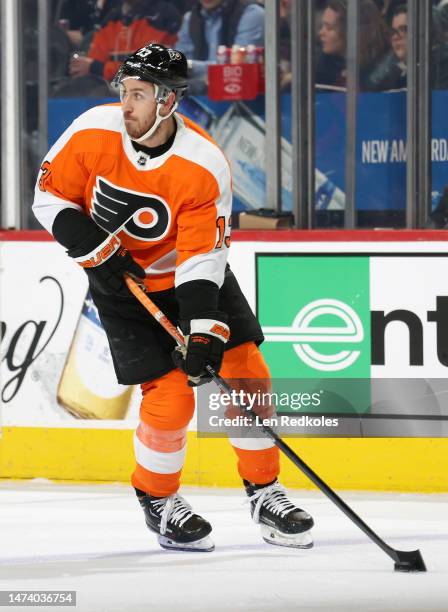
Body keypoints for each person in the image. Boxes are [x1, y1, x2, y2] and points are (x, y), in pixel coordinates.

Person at [32, 43, 314, 552]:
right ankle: (158, 500)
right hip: (118, 284)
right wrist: (98, 246)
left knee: (247, 372)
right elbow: (49, 197)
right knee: (171, 397)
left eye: (138, 94)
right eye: (125, 91)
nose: (126, 104)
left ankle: (264, 490)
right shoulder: (94, 129)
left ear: (167, 102)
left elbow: (202, 259)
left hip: (187, 277)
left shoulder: (203, 164)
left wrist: (204, 331)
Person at [69, 0, 182, 81]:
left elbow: (149, 69)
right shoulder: (111, 19)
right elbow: (93, 61)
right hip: (109, 95)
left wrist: (98, 68)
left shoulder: (166, 17)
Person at [176, 0, 265, 94]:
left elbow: (238, 69)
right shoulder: (190, 18)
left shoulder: (252, 14)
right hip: (201, 99)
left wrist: (190, 67)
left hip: (244, 99)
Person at [368, 3, 448, 91]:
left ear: (424, 32)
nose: (395, 37)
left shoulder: (443, 67)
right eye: (393, 31)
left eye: (403, 29)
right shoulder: (389, 70)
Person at [316, 0, 390, 91]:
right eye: (322, 26)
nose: (320, 33)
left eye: (329, 28)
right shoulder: (322, 66)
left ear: (350, 32)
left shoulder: (381, 72)